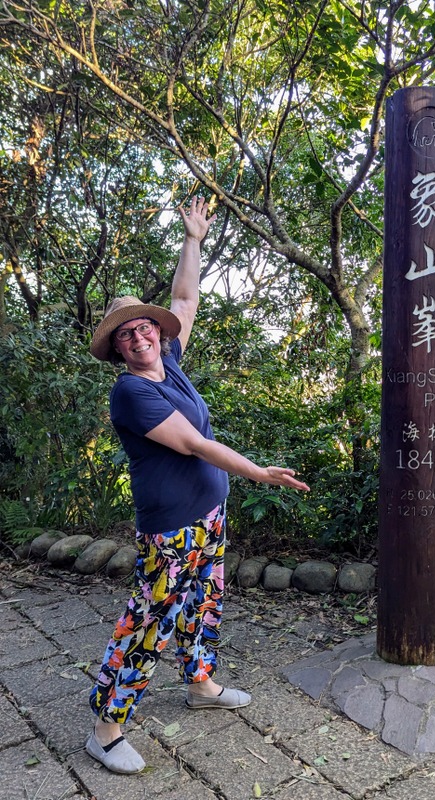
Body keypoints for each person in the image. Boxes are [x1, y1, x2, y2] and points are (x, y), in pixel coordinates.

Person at [86, 196, 310, 775]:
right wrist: (259, 472)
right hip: (171, 529)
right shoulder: (131, 392)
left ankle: (201, 685)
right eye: (127, 335)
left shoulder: (172, 361)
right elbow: (193, 444)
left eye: (145, 327)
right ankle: (106, 728)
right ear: (117, 349)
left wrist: (193, 239)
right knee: (149, 619)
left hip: (209, 516)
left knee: (203, 602)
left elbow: (184, 300)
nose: (140, 337)